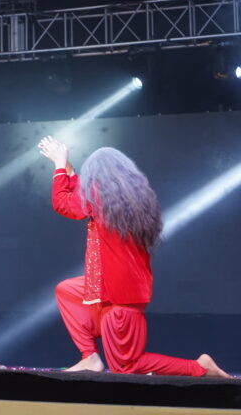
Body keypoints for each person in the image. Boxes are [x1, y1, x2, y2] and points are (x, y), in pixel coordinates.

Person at [38, 136, 228, 377]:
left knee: (127, 366)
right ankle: (90, 357)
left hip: (118, 297)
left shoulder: (100, 196)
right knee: (68, 290)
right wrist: (68, 168)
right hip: (113, 288)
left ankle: (199, 367)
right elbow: (82, 198)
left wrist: (58, 164)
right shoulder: (124, 200)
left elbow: (65, 204)